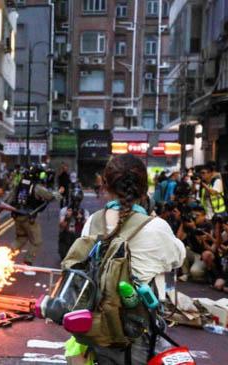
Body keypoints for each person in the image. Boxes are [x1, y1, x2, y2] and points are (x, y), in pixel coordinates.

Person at [70, 154, 185, 364]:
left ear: (105, 186)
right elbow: (178, 257)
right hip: (138, 329)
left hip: (97, 326)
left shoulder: (93, 222)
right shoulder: (156, 227)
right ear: (144, 187)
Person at [7, 164, 60, 265]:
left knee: (21, 238)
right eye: (41, 174)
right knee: (37, 242)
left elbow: (11, 197)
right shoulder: (36, 187)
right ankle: (28, 262)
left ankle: (5, 256)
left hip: (17, 215)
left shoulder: (21, 183)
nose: (42, 176)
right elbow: (50, 196)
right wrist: (58, 193)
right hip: (29, 217)